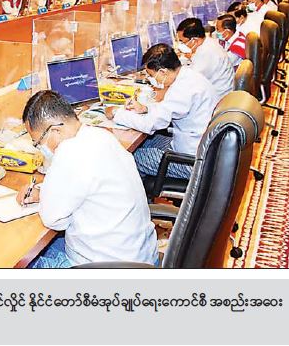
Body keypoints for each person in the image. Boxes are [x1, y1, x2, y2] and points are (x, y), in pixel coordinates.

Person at [17, 90, 158, 268]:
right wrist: (42, 192)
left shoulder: (69, 152)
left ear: (55, 130)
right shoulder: (100, 135)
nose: (41, 148)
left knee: (22, 262)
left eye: (38, 142)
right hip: (142, 259)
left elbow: (54, 220)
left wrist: (46, 196)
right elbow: (82, 184)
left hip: (107, 270)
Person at [107, 44, 217, 182]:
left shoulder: (182, 89)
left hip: (192, 162)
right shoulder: (189, 77)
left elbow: (150, 124)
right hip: (197, 147)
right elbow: (168, 109)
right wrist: (145, 109)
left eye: (151, 75)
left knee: (130, 157)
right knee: (146, 143)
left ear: (163, 72)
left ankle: (143, 195)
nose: (151, 79)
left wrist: (116, 113)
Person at [176, 18, 234, 99]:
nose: (181, 44)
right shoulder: (208, 43)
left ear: (194, 40)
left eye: (183, 41)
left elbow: (191, 81)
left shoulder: (206, 52)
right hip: (223, 90)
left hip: (221, 97)